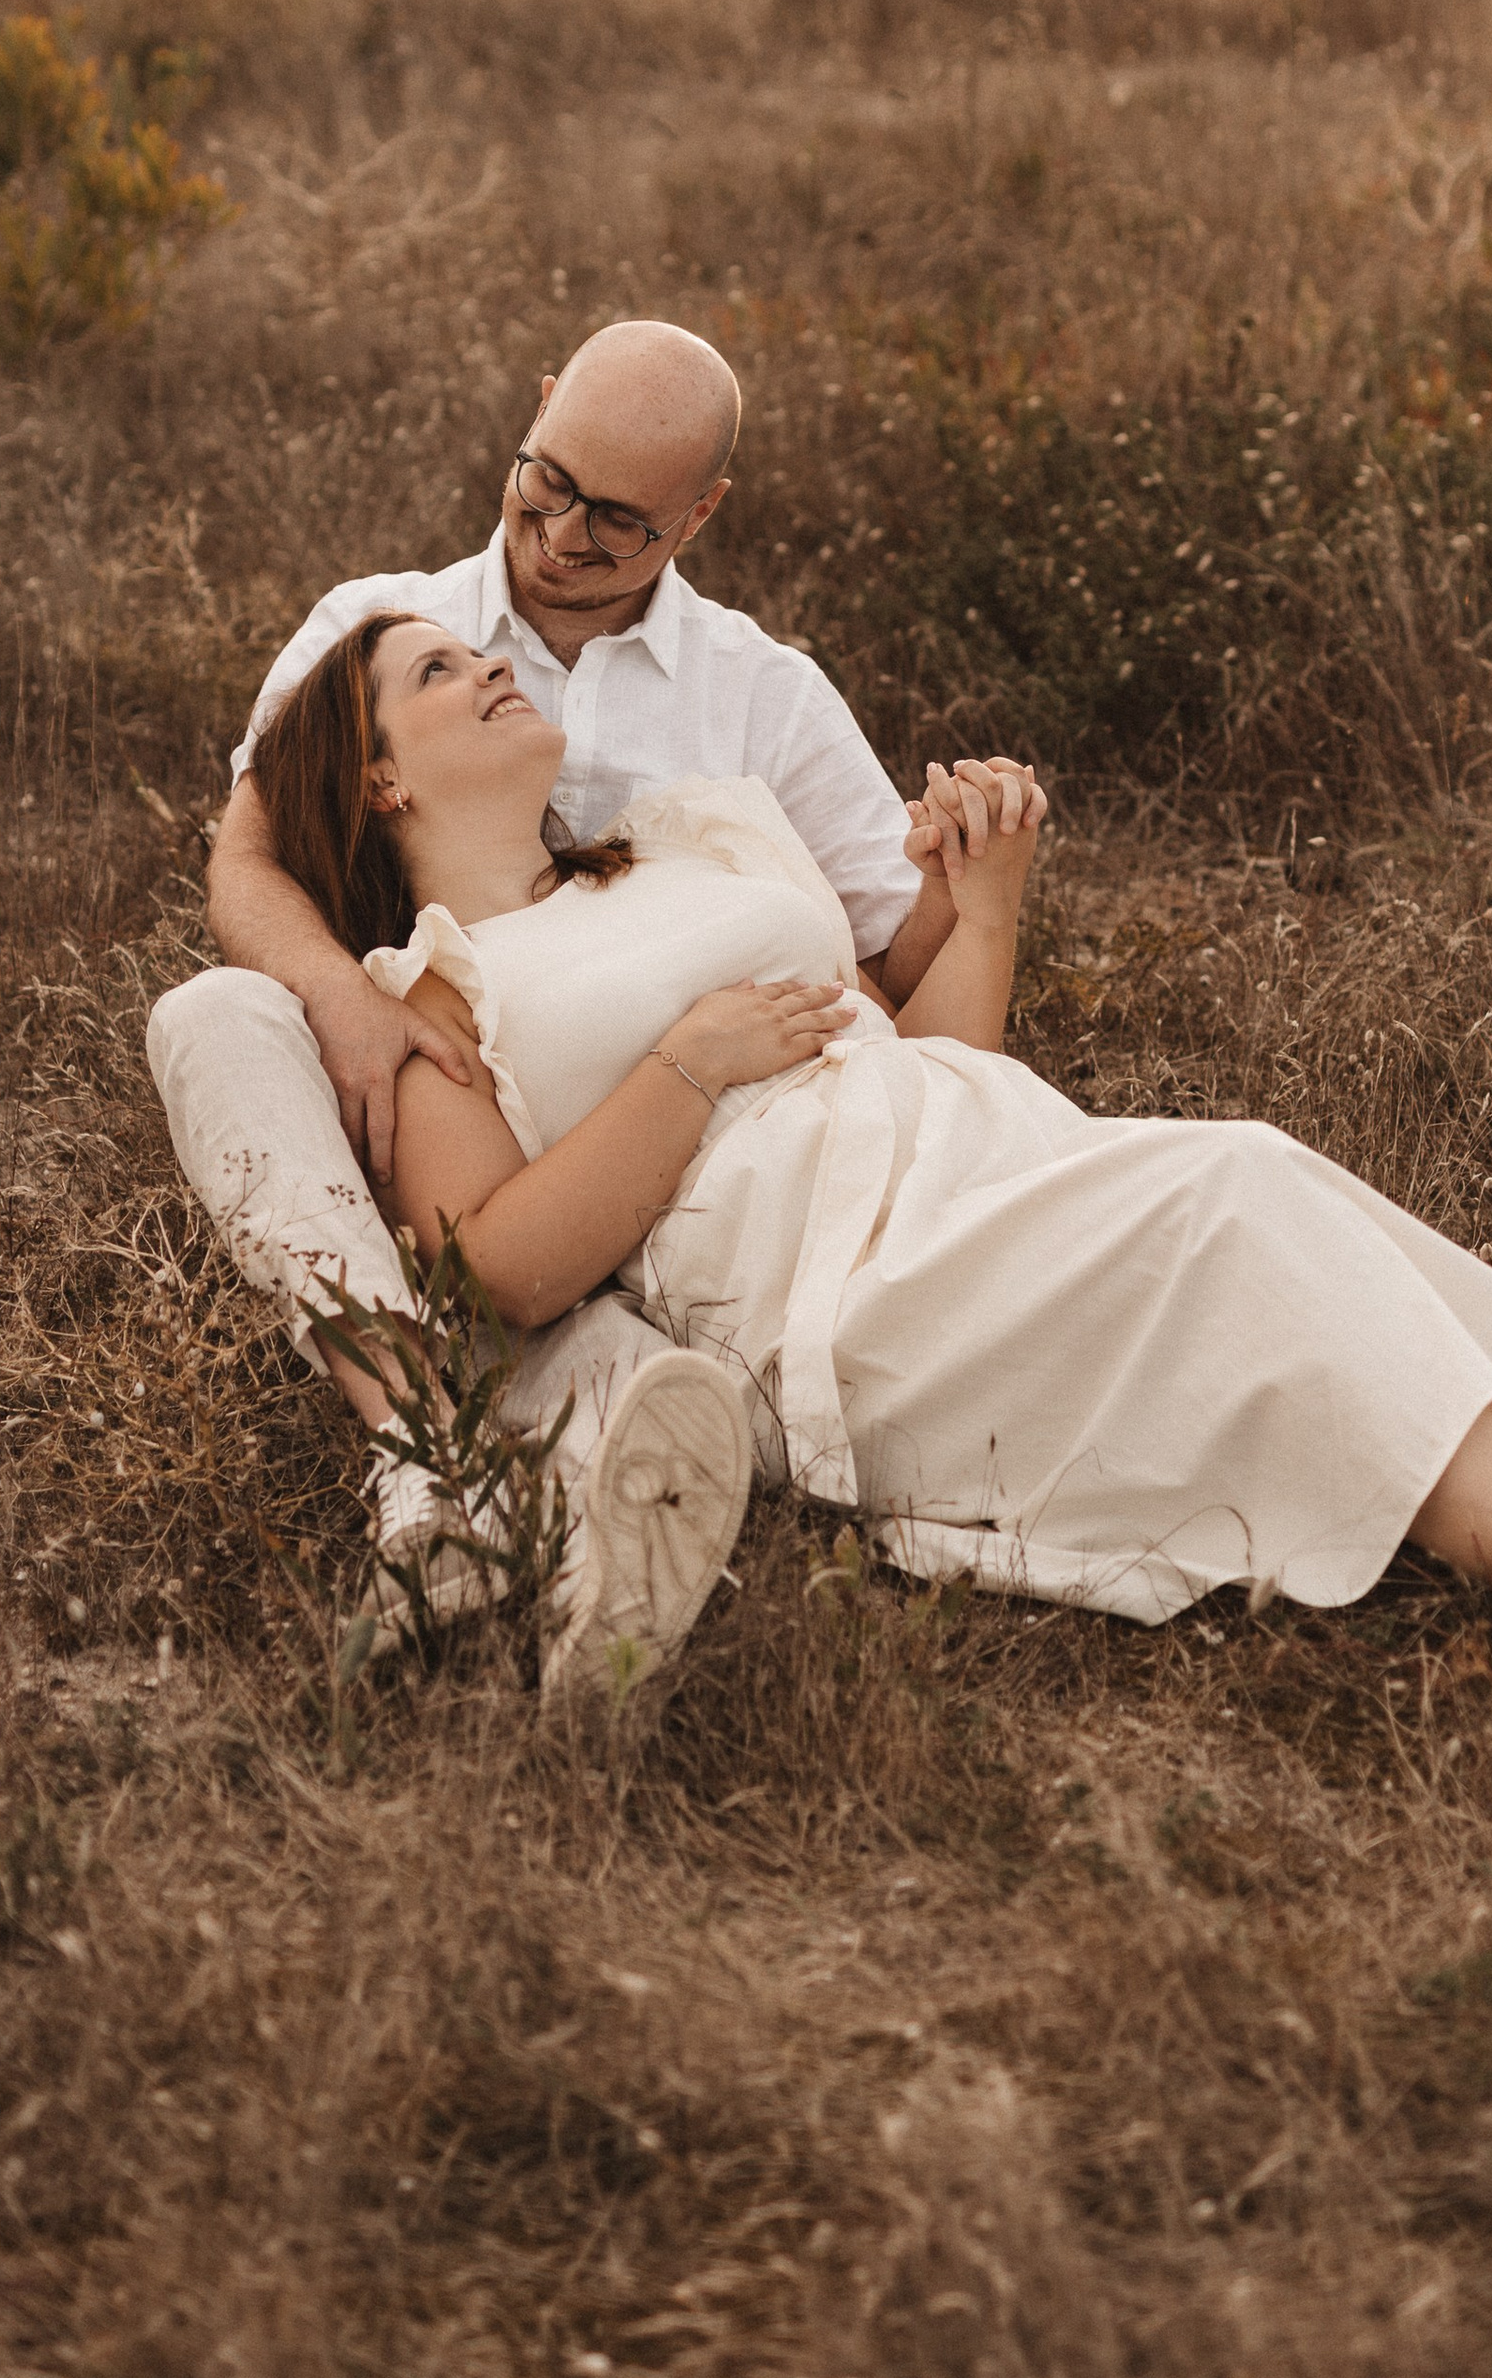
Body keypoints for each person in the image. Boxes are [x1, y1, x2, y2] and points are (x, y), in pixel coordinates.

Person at [233, 602, 1492, 1750]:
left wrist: (989, 896)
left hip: (992, 1161)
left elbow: (935, 1065)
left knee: (1313, 1262)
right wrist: (686, 1071)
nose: (493, 659)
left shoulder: (690, 841)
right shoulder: (441, 998)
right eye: (439, 667)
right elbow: (496, 1270)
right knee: (1248, 1190)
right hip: (841, 1299)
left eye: (483, 649)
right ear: (376, 768)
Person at [148, 319, 1016, 1697]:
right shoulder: (381, 622)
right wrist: (346, 1000)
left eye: (617, 522)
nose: (560, 537)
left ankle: (594, 1539)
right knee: (213, 1017)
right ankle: (420, 1463)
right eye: (543, 481)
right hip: (413, 1099)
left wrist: (976, 858)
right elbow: (246, 856)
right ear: (539, 408)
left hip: (653, 1163)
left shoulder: (763, 697)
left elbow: (899, 960)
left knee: (613, 1337)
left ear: (700, 514)